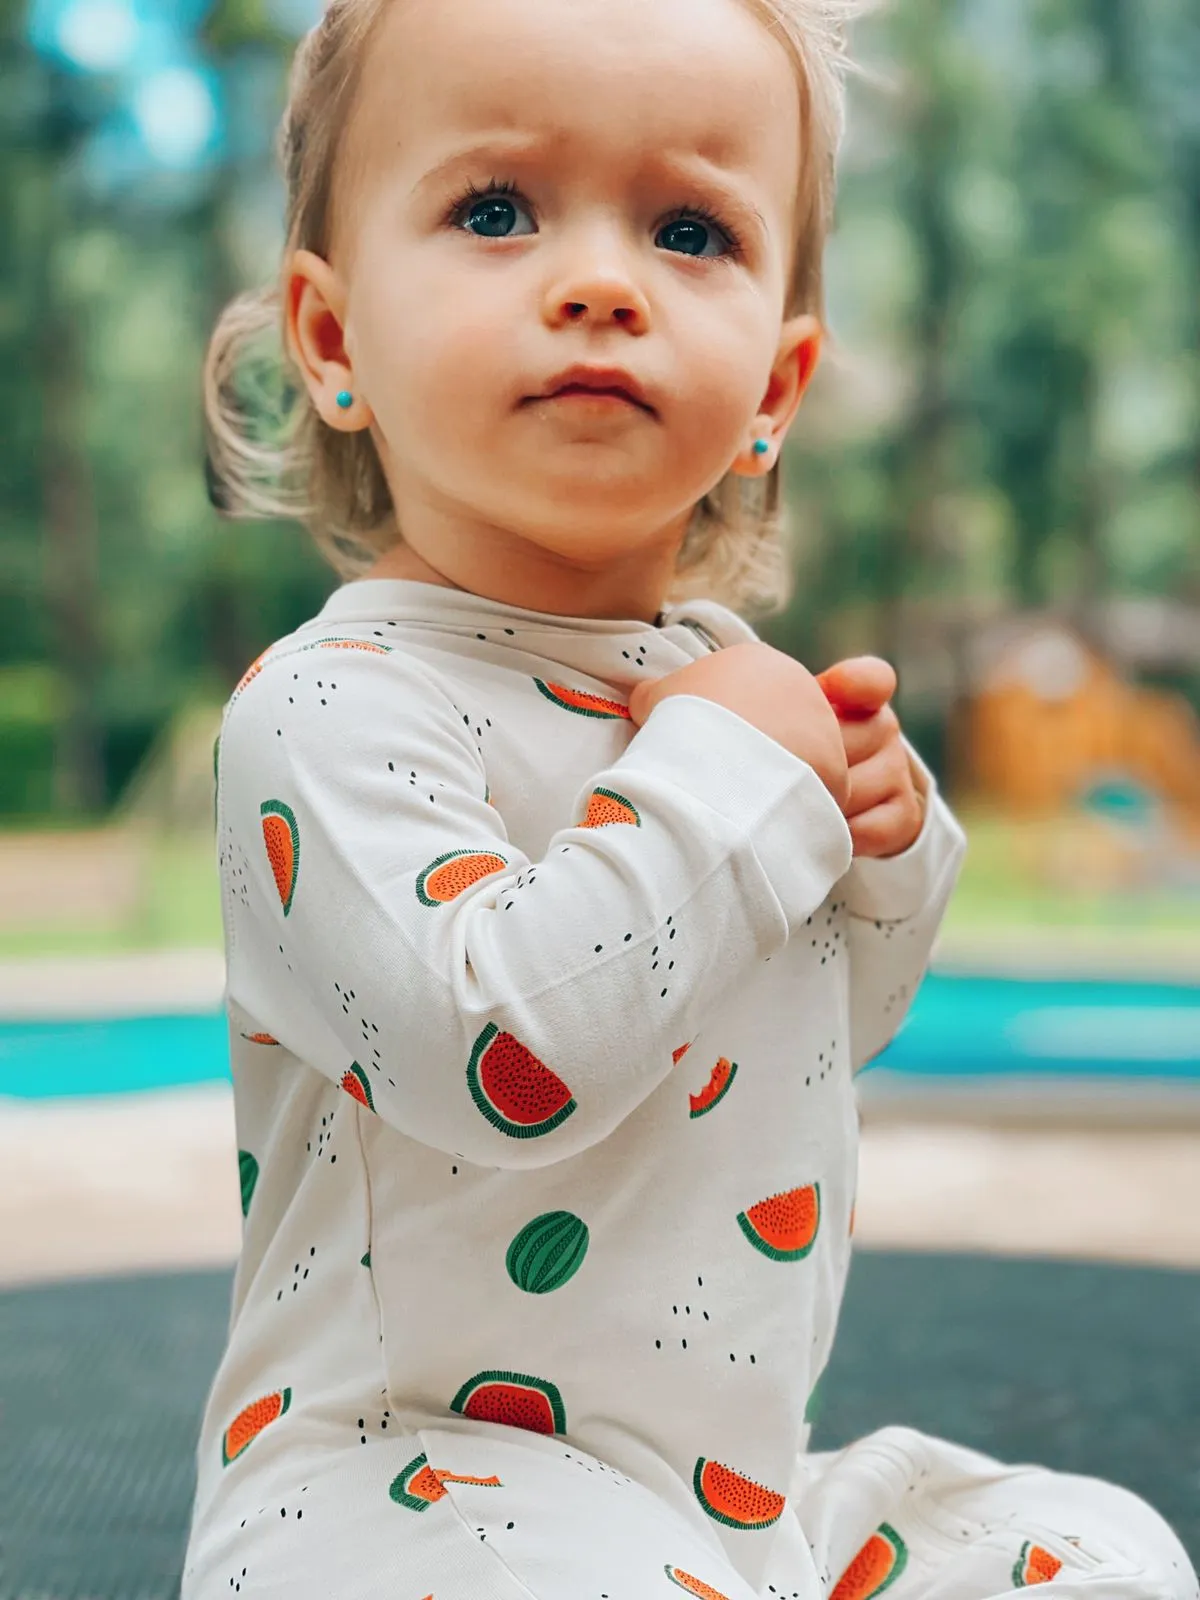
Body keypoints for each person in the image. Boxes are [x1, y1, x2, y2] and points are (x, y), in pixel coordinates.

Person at [182, 0, 1198, 1594]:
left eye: (689, 228)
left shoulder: (727, 694)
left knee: (1104, 1552)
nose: (603, 280)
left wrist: (879, 847)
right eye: (496, 210)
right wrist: (731, 774)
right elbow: (504, 1053)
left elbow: (822, 1022)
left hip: (725, 1496)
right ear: (332, 341)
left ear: (778, 381)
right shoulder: (330, 710)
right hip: (412, 1487)